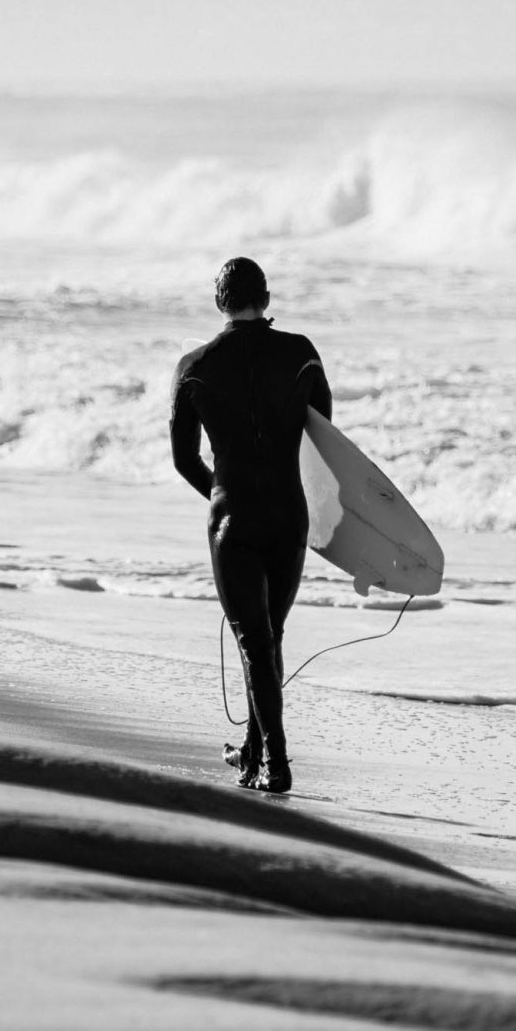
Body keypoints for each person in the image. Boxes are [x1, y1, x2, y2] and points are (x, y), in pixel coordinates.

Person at [169, 257, 332, 793]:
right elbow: (325, 443)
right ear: (266, 296)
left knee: (255, 641)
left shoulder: (194, 366)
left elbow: (185, 461)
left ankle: (275, 764)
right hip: (290, 517)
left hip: (233, 522)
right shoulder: (302, 355)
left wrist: (223, 493)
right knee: (266, 638)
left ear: (220, 302)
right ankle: (253, 751)